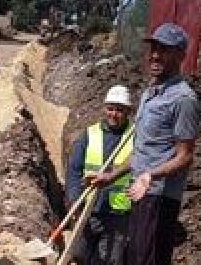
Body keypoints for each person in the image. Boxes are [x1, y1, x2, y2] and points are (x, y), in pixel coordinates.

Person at [90, 23, 201, 265]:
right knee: (134, 257)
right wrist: (112, 175)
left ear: (181, 56)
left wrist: (150, 175)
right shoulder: (150, 94)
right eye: (153, 48)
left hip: (159, 198)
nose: (155, 55)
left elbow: (185, 156)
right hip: (140, 192)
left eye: (164, 50)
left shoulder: (183, 99)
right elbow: (144, 151)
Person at [66, 85, 134, 265]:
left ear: (128, 111)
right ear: (105, 108)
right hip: (89, 209)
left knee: (110, 260)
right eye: (110, 108)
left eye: (119, 110)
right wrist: (74, 200)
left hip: (118, 214)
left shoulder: (135, 137)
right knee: (80, 255)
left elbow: (143, 166)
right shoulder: (89, 135)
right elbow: (74, 170)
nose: (113, 114)